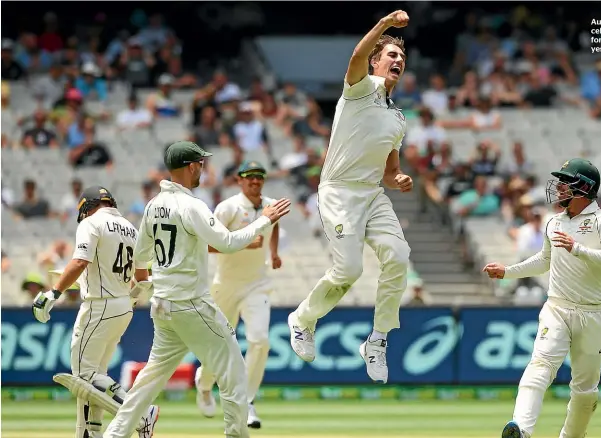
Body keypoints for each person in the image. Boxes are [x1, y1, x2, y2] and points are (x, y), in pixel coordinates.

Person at [103, 141, 291, 438]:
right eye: (201, 164)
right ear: (191, 167)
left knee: (151, 377)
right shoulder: (192, 206)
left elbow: (141, 255)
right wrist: (264, 219)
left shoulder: (154, 204)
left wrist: (144, 284)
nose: (203, 168)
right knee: (234, 371)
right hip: (191, 303)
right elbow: (227, 243)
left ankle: (115, 434)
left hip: (163, 305)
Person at [287, 10, 413, 385]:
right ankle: (303, 320)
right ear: (376, 61)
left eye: (402, 59)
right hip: (339, 193)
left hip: (372, 196)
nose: (398, 62)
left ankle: (377, 340)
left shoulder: (398, 118)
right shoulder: (360, 89)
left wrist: (399, 178)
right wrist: (385, 26)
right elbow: (355, 57)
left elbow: (390, 172)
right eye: (392, 55)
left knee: (399, 256)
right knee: (349, 271)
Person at [483, 158, 601, 438]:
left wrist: (579, 249)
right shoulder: (554, 222)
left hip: (592, 313)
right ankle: (521, 430)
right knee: (540, 365)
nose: (559, 187)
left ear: (584, 187)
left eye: (565, 181)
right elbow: (545, 260)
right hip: (557, 308)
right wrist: (507, 272)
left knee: (585, 392)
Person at [31, 186, 159, 438]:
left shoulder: (91, 223)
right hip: (122, 306)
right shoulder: (133, 229)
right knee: (94, 379)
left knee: (83, 377)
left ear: (87, 208)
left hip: (99, 305)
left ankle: (141, 414)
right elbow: (143, 278)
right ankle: (89, 434)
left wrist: (52, 294)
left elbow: (80, 261)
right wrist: (127, 298)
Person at [195, 161, 282, 429]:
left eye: (259, 176)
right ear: (239, 180)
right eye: (249, 177)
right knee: (220, 344)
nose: (255, 181)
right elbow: (207, 244)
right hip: (227, 285)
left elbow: (273, 226)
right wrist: (244, 244)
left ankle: (246, 400)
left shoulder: (271, 204)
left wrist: (274, 252)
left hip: (258, 284)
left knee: (260, 341)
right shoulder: (228, 208)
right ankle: (205, 384)